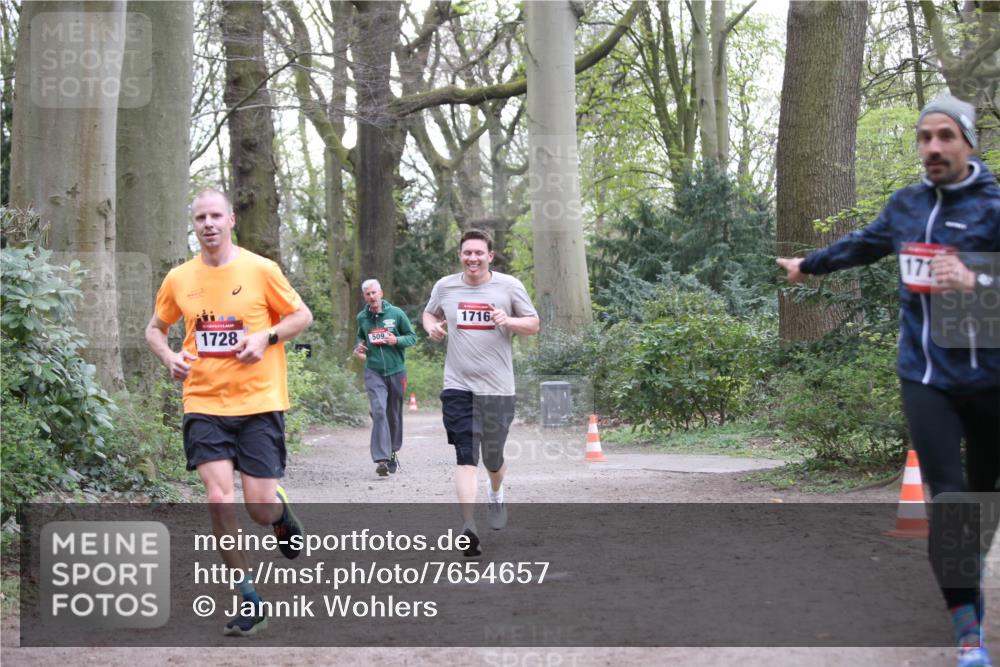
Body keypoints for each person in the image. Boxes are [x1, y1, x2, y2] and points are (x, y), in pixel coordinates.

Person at [777, 95, 1000, 667]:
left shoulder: (995, 207)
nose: (932, 147)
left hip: (992, 379)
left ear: (968, 142)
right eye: (924, 137)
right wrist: (811, 264)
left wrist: (976, 281)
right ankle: (968, 631)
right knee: (950, 504)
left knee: (980, 501)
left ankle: (968, 559)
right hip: (926, 376)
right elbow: (865, 244)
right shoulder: (906, 205)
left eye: (945, 136)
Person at [145, 189, 313, 637]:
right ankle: (248, 594)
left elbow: (301, 316)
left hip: (258, 403)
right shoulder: (179, 278)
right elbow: (155, 329)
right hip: (203, 402)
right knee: (219, 498)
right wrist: (168, 358)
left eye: (215, 215)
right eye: (200, 217)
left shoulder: (261, 270)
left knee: (257, 508)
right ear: (193, 224)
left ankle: (278, 513)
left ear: (231, 219)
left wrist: (266, 338)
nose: (208, 224)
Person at [423, 229, 540, 557]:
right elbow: (430, 312)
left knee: (493, 458)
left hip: (499, 389)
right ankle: (468, 526)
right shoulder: (445, 286)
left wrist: (509, 321)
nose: (472, 258)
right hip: (458, 386)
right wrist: (430, 325)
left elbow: (534, 323)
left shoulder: (509, 286)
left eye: (479, 253)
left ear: (490, 256)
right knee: (465, 455)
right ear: (460, 255)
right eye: (467, 253)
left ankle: (497, 493)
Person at [353, 279, 417, 477]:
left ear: (381, 293)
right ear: (364, 297)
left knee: (393, 415)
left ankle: (391, 451)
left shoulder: (396, 314)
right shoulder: (362, 318)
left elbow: (412, 337)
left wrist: (396, 340)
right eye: (367, 294)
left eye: (374, 293)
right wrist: (359, 348)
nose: (371, 297)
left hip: (397, 371)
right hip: (374, 371)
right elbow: (361, 339)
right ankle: (381, 459)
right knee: (379, 410)